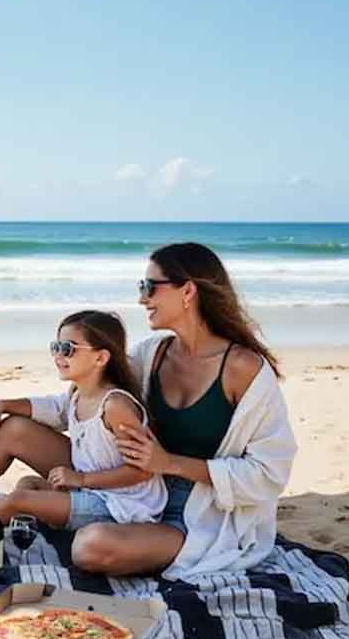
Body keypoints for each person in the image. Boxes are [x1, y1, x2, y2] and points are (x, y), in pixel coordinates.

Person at [76, 241, 297, 579]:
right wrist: (7, 406)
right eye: (141, 287)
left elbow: (269, 474)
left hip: (195, 515)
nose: (141, 298)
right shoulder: (152, 354)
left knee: (91, 546)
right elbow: (90, 397)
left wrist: (169, 463)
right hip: (138, 494)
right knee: (14, 429)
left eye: (149, 287)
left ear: (188, 291)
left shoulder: (243, 368)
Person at [0, 310, 167, 536]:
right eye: (55, 347)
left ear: (101, 357)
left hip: (123, 506)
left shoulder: (116, 406)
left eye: (68, 349)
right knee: (18, 442)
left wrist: (81, 479)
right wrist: (1, 405)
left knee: (18, 500)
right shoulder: (78, 393)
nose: (58, 356)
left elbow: (143, 471)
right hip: (93, 486)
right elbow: (51, 407)